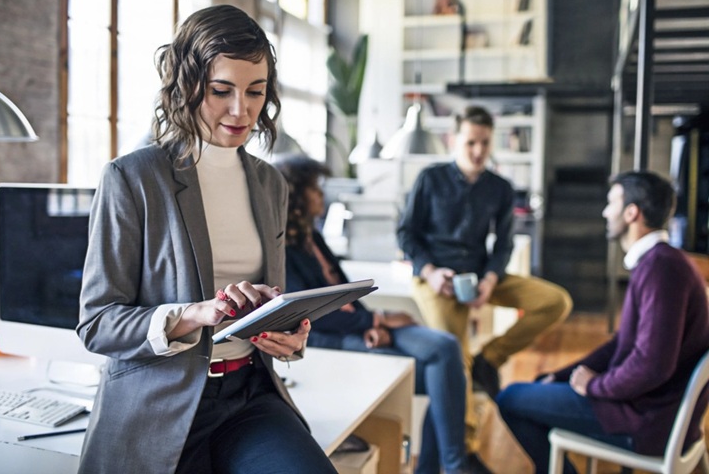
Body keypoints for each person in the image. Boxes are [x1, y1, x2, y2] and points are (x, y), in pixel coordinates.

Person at [75, 5, 337, 474]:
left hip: (250, 395)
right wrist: (191, 315)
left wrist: (290, 335)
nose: (242, 110)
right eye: (222, 91)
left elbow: (274, 301)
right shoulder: (132, 178)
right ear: (188, 86)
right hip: (161, 404)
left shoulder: (270, 184)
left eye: (256, 92)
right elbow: (97, 324)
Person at [274, 155, 492, 474]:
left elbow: (345, 294)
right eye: (315, 188)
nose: (321, 194)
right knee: (447, 376)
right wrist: (373, 322)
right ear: (295, 195)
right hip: (333, 337)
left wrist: (374, 320)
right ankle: (452, 468)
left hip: (362, 325)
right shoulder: (283, 247)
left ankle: (445, 467)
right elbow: (310, 312)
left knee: (447, 350)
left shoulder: (314, 237)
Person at [496, 170, 709, 474]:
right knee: (534, 388)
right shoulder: (661, 262)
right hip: (648, 410)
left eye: (612, 203)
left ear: (632, 213)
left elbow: (652, 366)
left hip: (646, 421)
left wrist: (594, 385)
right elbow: (623, 344)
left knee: (510, 398)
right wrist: (561, 376)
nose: (605, 212)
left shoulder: (662, 270)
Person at [396, 105, 573, 457]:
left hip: (480, 276)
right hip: (437, 280)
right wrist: (431, 272)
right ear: (454, 139)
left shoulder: (500, 188)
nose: (478, 151)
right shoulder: (430, 178)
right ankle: (466, 445)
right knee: (454, 355)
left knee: (556, 302)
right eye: (471, 142)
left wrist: (491, 279)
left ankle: (490, 357)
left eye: (485, 143)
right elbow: (406, 234)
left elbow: (504, 244)